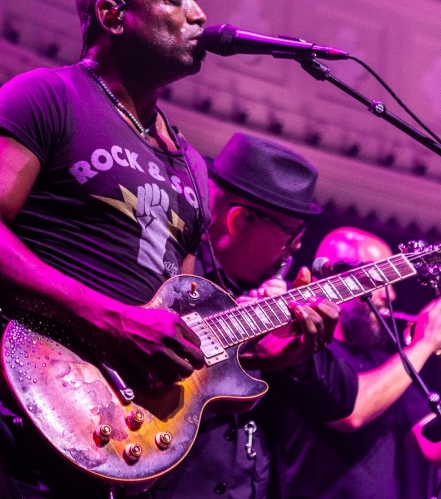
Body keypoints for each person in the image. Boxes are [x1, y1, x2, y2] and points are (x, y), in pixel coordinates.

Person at [0, 0, 334, 498]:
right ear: (112, 15)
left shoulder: (191, 165)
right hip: (28, 407)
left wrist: (260, 350)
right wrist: (113, 320)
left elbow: (182, 326)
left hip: (120, 439)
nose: (198, 15)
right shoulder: (47, 96)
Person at [153, 132, 357, 498]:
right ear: (241, 220)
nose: (294, 249)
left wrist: (300, 352)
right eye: (290, 234)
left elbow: (341, 400)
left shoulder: (278, 292)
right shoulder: (165, 279)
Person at [282, 227, 441, 499]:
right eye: (380, 280)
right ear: (333, 279)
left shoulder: (384, 365)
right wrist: (424, 343)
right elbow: (351, 412)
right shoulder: (304, 348)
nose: (390, 295)